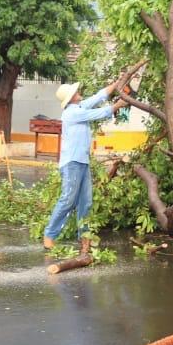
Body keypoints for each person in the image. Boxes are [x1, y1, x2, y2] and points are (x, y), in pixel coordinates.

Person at [42, 73, 128, 253]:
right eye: (76, 91)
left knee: (86, 202)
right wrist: (118, 105)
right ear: (71, 97)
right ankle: (49, 235)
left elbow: (99, 96)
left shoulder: (78, 106)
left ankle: (84, 238)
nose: (78, 92)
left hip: (82, 162)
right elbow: (99, 112)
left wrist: (117, 82)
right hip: (72, 162)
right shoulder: (72, 113)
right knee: (68, 199)